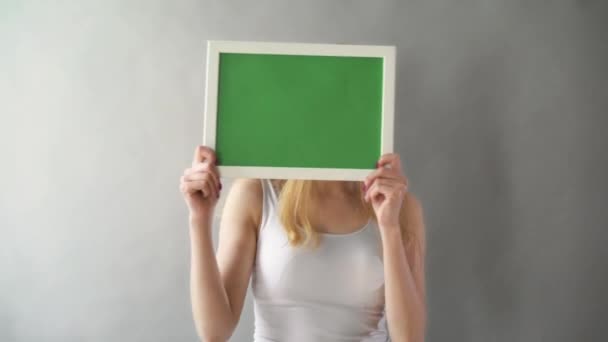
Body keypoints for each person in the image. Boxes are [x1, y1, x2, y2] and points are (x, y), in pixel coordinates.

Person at [180, 146, 427, 342]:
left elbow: (409, 338)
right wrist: (199, 220)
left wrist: (390, 226)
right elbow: (215, 331)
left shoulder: (398, 207)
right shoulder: (256, 193)